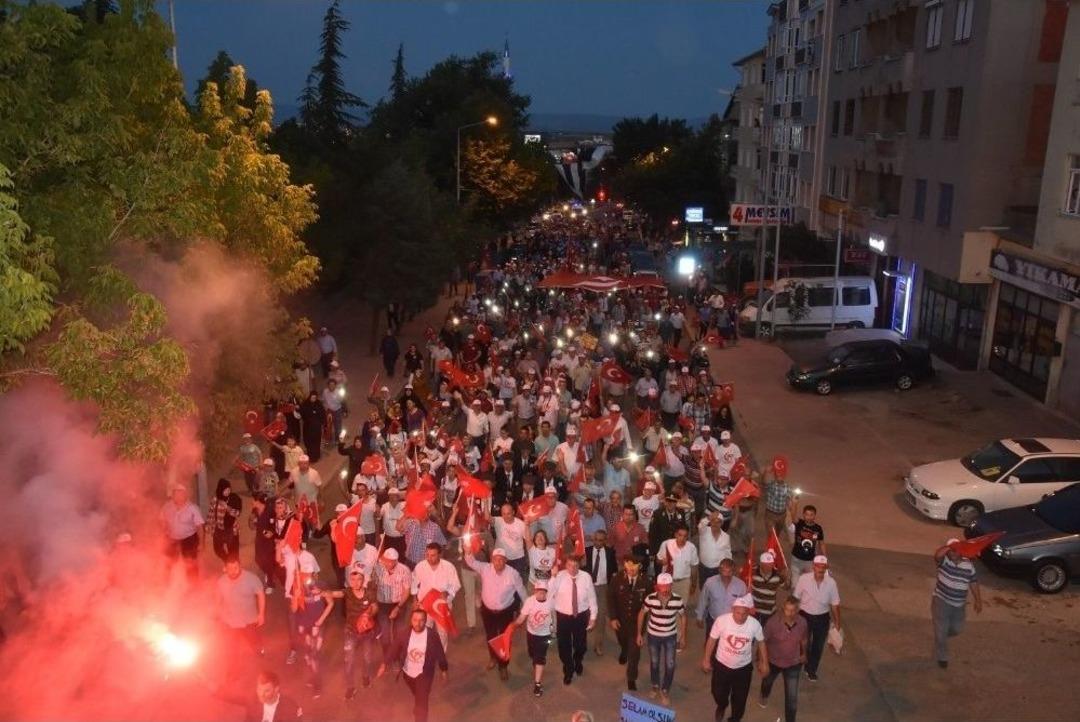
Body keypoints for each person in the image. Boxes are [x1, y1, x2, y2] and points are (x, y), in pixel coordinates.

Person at [702, 594, 768, 722]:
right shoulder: (721, 621)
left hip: (743, 668)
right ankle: (722, 705)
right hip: (722, 664)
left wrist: (765, 662)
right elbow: (712, 640)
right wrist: (706, 659)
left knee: (740, 699)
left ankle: (735, 718)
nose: (741, 617)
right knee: (718, 693)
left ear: (749, 612)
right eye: (738, 613)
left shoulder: (754, 624)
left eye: (744, 613)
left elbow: (761, 642)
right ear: (732, 609)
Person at [465, 547, 527, 681]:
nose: (498, 562)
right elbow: (471, 562)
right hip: (487, 611)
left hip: (505, 611)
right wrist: (468, 551)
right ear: (492, 560)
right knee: (491, 636)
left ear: (506, 561)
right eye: (495, 559)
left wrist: (527, 610)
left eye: (501, 560)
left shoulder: (513, 574)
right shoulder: (485, 568)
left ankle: (503, 666)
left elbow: (522, 592)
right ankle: (493, 657)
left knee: (504, 639)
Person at [380, 609, 448, 722]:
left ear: (425, 621)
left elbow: (440, 652)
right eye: (415, 620)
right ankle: (420, 700)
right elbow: (394, 649)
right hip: (408, 674)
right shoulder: (404, 634)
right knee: (418, 694)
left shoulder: (432, 635)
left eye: (421, 620)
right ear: (411, 620)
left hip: (424, 674)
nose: (418, 623)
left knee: (422, 703)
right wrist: (384, 664)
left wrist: (444, 669)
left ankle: (420, 714)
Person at [327, 565, 379, 698]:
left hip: (367, 633)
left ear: (363, 580)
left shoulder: (369, 593)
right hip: (350, 632)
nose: (356, 583)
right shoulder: (348, 592)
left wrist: (368, 614)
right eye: (353, 579)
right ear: (350, 580)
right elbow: (335, 593)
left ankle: (366, 676)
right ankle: (350, 687)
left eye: (359, 579)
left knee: (367, 658)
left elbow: (375, 607)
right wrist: (321, 592)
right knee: (348, 661)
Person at [931, 538, 983, 669]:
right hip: (941, 601)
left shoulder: (968, 565)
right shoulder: (944, 562)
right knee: (941, 632)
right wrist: (951, 547)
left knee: (957, 629)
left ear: (961, 552)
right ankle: (942, 655)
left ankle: (940, 636)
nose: (953, 554)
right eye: (951, 551)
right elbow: (937, 555)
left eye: (956, 551)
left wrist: (978, 600)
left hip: (959, 605)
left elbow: (973, 582)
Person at [637, 573, 687, 705]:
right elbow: (642, 613)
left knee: (670, 664)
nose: (664, 590)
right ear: (657, 587)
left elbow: (683, 616)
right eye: (661, 587)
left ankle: (665, 689)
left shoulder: (678, 600)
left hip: (670, 635)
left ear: (671, 586)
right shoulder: (650, 599)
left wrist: (683, 636)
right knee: (654, 662)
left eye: (667, 587)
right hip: (653, 635)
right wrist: (639, 634)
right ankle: (655, 685)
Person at [549, 555, 598, 686]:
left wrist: (593, 617)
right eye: (570, 565)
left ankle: (578, 660)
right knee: (564, 646)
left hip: (580, 616)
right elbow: (549, 594)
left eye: (576, 565)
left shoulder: (586, 577)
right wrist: (552, 577)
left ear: (580, 565)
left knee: (581, 645)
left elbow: (592, 598)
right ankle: (568, 669)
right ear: (565, 565)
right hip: (563, 616)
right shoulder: (558, 576)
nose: (573, 568)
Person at [792, 555, 841, 682]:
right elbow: (796, 598)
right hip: (805, 616)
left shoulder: (831, 583)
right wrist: (792, 617)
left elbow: (835, 604)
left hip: (822, 618)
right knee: (804, 643)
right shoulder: (804, 579)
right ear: (813, 566)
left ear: (826, 568)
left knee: (818, 646)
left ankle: (811, 669)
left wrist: (837, 624)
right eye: (818, 566)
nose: (820, 569)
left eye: (823, 567)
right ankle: (800, 664)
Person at [759, 597, 808, 722]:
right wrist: (763, 662)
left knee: (792, 698)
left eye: (793, 610)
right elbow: (762, 641)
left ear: (798, 610)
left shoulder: (802, 622)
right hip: (774, 661)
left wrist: (803, 653)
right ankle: (764, 694)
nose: (790, 613)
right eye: (787, 610)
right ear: (783, 609)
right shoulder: (773, 623)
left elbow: (804, 639)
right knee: (767, 682)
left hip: (793, 663)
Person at [216, 556, 266, 675]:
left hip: (248, 620)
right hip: (230, 622)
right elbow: (218, 598)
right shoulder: (221, 582)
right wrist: (219, 614)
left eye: (236, 568)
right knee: (232, 648)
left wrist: (261, 614)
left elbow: (260, 595)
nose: (233, 571)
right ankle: (233, 671)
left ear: (240, 566)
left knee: (254, 640)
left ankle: (259, 650)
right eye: (230, 569)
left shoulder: (251, 579)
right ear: (225, 569)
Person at [608, 554, 649, 690]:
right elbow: (611, 599)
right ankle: (623, 649)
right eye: (628, 565)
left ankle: (631, 678)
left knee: (635, 653)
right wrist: (613, 618)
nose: (631, 569)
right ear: (625, 565)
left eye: (634, 566)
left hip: (637, 623)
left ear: (640, 567)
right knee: (622, 641)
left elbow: (649, 603)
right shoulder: (616, 579)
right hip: (620, 621)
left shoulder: (646, 581)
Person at [411, 543, 462, 649]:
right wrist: (414, 600)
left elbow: (456, 585)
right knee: (424, 629)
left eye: (433, 555)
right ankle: (426, 652)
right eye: (427, 555)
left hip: (442, 606)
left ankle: (441, 654)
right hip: (425, 605)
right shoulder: (420, 566)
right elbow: (414, 585)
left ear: (440, 555)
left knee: (442, 632)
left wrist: (447, 592)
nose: (429, 558)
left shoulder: (448, 567)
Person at [511, 578, 556, 697]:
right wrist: (514, 625)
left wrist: (554, 630)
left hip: (545, 635)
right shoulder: (529, 601)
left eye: (543, 592)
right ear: (534, 591)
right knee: (532, 654)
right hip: (531, 633)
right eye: (538, 591)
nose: (540, 594)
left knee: (540, 657)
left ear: (547, 592)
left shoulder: (551, 602)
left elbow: (554, 614)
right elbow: (522, 617)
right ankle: (536, 663)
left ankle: (537, 684)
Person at [372, 548, 413, 671]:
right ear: (383, 559)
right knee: (384, 635)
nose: (389, 564)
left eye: (392, 561)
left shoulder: (404, 570)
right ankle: (388, 657)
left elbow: (407, 591)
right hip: (382, 604)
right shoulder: (378, 568)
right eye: (387, 561)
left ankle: (398, 658)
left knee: (398, 634)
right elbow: (372, 586)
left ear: (396, 560)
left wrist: (398, 607)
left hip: (399, 603)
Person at [161, 484, 204, 579]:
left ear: (185, 495)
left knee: (191, 563)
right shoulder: (167, 507)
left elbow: (200, 527)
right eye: (175, 494)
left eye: (181, 494)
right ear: (172, 495)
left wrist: (201, 543)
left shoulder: (193, 508)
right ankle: (167, 584)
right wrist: (164, 534)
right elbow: (163, 521)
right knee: (168, 563)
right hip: (172, 539)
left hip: (189, 539)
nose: (178, 496)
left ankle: (194, 586)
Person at [225, 670, 303, 721]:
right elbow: (234, 697)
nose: (261, 694)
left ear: (276, 689)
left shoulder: (290, 707)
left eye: (267, 691)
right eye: (259, 689)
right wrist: (215, 690)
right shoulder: (253, 698)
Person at [584, 529, 615, 655]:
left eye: (601, 540)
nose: (598, 542)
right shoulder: (586, 552)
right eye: (596, 539)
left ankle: (598, 644)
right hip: (588, 588)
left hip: (603, 587)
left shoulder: (610, 552)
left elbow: (614, 570)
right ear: (593, 539)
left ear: (605, 541)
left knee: (601, 616)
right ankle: (582, 642)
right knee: (586, 615)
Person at [696, 558, 747, 634]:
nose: (726, 575)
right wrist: (699, 617)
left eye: (729, 572)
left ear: (733, 572)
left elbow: (745, 605)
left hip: (732, 622)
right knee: (711, 643)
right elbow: (703, 600)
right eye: (724, 571)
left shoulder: (741, 585)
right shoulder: (710, 582)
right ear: (719, 570)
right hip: (713, 620)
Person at [656, 524, 699, 602]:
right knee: (666, 605)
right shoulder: (666, 544)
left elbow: (694, 567)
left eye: (685, 536)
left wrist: (694, 584)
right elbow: (658, 560)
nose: (682, 538)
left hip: (684, 582)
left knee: (681, 606)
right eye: (680, 535)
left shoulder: (691, 548)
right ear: (675, 534)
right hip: (667, 581)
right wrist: (662, 561)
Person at [208, 478, 242, 562]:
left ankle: (235, 566)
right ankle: (227, 562)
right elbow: (211, 513)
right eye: (225, 490)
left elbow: (237, 513)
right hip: (219, 530)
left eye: (229, 489)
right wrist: (208, 524)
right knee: (218, 550)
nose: (228, 492)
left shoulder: (234, 498)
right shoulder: (215, 499)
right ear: (220, 490)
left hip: (231, 530)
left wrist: (227, 508)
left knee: (233, 553)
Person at [790, 505, 826, 582]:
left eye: (811, 515)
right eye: (807, 514)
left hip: (810, 560)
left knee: (808, 583)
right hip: (796, 559)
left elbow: (821, 543)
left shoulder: (818, 528)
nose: (809, 517)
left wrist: (825, 557)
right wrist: (795, 502)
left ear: (815, 516)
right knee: (795, 585)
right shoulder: (799, 523)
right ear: (803, 515)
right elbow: (793, 515)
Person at [750, 551, 786, 627]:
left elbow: (786, 587)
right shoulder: (752, 572)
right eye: (766, 565)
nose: (768, 567)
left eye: (771, 565)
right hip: (754, 609)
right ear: (761, 564)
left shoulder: (778, 575)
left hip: (769, 611)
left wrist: (786, 577)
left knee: (766, 631)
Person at [697, 511, 732, 587]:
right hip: (704, 568)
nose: (715, 524)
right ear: (710, 522)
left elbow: (727, 553)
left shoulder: (726, 537)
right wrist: (709, 517)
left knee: (716, 589)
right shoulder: (704, 531)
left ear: (721, 523)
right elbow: (700, 525)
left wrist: (729, 566)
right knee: (703, 588)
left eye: (718, 522)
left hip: (718, 569)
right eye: (713, 521)